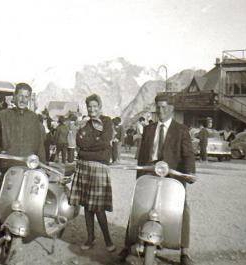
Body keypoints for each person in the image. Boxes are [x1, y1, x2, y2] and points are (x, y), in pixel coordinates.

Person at [119, 94, 196, 265]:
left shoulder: (181, 130)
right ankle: (128, 244)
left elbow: (188, 154)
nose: (160, 110)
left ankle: (185, 251)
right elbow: (143, 155)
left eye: (164, 107)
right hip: (150, 172)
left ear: (171, 109)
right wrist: (139, 178)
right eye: (158, 107)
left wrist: (189, 172)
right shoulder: (149, 129)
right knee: (138, 206)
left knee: (183, 208)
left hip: (172, 175)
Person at [0, 83, 46, 246]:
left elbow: (39, 144)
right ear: (14, 96)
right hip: (6, 169)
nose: (23, 99)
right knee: (3, 203)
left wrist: (42, 166)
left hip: (28, 169)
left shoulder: (34, 118)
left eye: (26, 96)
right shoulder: (2, 116)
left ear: (29, 99)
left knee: (24, 203)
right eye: (20, 95)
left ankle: (20, 233)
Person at [68, 93, 116, 252]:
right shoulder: (85, 124)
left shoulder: (107, 121)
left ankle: (108, 240)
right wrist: (94, 145)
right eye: (90, 107)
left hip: (99, 167)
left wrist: (87, 148)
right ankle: (90, 238)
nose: (92, 109)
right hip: (84, 166)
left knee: (98, 207)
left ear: (100, 107)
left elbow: (105, 141)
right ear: (86, 108)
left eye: (95, 106)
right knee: (87, 206)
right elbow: (79, 142)